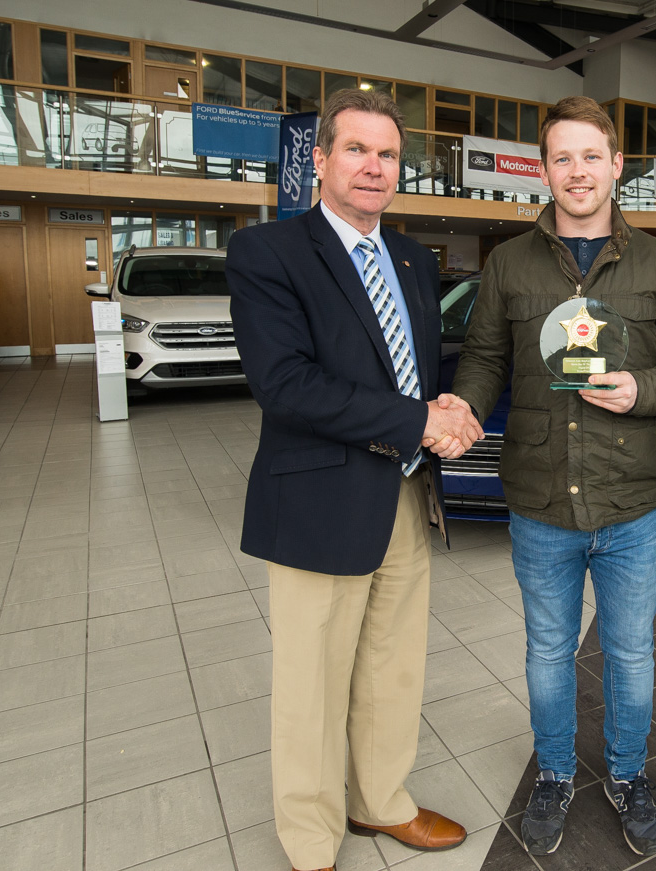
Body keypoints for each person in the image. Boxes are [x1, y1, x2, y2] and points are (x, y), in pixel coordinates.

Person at [226, 88, 481, 871]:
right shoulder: (268, 252)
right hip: (319, 498)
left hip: (403, 494)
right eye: (358, 150)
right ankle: (309, 838)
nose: (374, 167)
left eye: (388, 154)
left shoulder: (410, 256)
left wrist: (445, 403)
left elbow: (413, 367)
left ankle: (380, 802)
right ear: (323, 160)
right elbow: (286, 384)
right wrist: (416, 423)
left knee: (392, 666)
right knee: (312, 681)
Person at [451, 95, 656, 858]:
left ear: (616, 164)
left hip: (630, 501)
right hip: (539, 500)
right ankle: (557, 773)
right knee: (546, 651)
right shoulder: (508, 263)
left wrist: (644, 391)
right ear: (543, 168)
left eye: (590, 156)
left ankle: (628, 773)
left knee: (630, 652)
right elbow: (483, 361)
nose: (576, 171)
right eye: (561, 157)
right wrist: (462, 409)